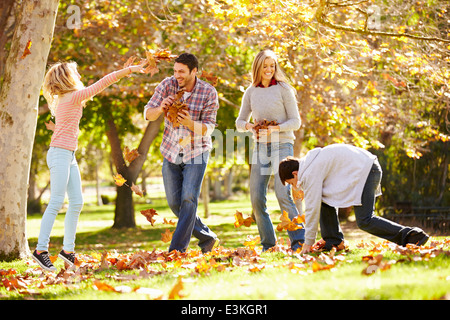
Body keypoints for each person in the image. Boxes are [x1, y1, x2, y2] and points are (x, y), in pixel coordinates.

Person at [33, 60, 148, 271]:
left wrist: (54, 128)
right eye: (75, 73)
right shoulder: (74, 96)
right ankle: (41, 250)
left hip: (68, 155)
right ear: (68, 78)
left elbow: (65, 126)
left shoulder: (64, 99)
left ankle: (68, 251)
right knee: (57, 201)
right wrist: (129, 70)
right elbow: (105, 81)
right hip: (60, 154)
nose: (79, 75)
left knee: (76, 202)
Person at [278, 143, 430, 254]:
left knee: (365, 220)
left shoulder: (310, 172)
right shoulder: (310, 163)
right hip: (365, 169)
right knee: (323, 201)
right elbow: (319, 201)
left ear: (295, 174)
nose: (295, 187)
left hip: (366, 171)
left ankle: (412, 236)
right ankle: (334, 241)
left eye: (292, 183)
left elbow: (312, 209)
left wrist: (308, 243)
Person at [144, 53, 219, 253]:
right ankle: (207, 237)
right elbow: (148, 114)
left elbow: (209, 128)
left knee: (189, 199)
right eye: (175, 71)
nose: (177, 75)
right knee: (175, 203)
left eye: (182, 72)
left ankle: (176, 250)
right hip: (171, 151)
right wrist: (161, 108)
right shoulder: (167, 85)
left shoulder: (208, 92)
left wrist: (188, 123)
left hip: (197, 151)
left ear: (194, 71)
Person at [235, 49, 305, 252]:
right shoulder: (251, 91)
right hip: (260, 147)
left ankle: (298, 242)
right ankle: (268, 244)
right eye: (265, 66)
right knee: (256, 198)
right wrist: (250, 127)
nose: (269, 70)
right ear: (257, 68)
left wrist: (274, 128)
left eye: (272, 66)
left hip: (282, 145)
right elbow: (240, 121)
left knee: (283, 194)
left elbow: (296, 122)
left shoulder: (284, 89)